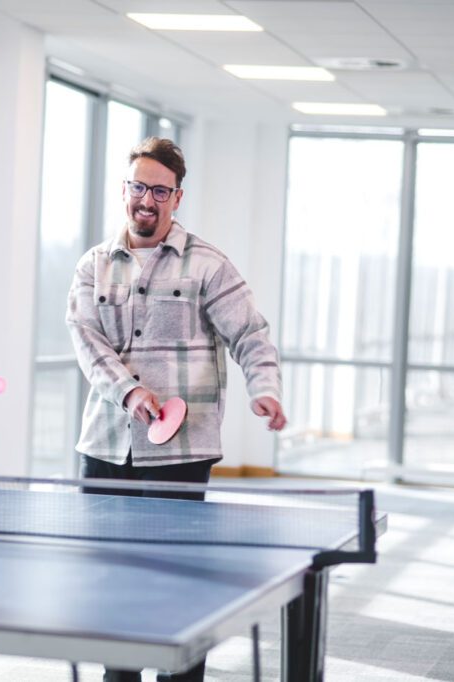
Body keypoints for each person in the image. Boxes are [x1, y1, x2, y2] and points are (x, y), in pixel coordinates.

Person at [66, 137, 286, 682]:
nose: (147, 199)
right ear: (125, 190)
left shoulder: (208, 266)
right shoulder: (93, 265)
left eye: (160, 191)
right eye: (139, 187)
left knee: (177, 583)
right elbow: (86, 339)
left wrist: (267, 388)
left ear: (176, 198)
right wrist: (129, 391)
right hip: (105, 448)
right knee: (111, 584)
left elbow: (251, 336)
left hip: (181, 454)